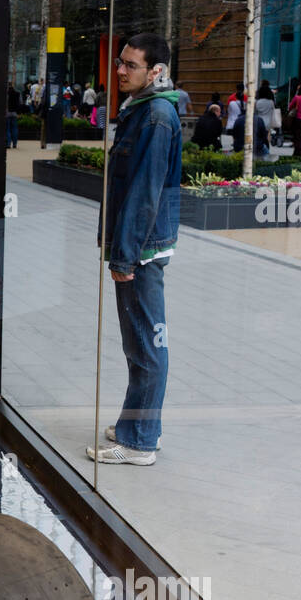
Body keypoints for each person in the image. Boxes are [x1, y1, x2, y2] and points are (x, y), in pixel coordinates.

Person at [89, 32, 180, 466]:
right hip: (138, 248)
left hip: (142, 251)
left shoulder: (156, 116)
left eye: (131, 65)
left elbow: (145, 192)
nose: (120, 70)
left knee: (147, 347)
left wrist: (124, 255)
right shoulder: (142, 110)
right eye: (120, 62)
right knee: (138, 345)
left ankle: (140, 441)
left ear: (155, 71)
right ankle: (137, 425)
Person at [254, 84, 276, 157]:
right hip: (268, 123)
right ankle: (267, 152)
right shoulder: (271, 102)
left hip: (259, 122)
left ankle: (260, 151)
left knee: (259, 137)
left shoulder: (257, 102)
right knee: (266, 138)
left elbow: (255, 112)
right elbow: (272, 111)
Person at [6, 83, 20, 148]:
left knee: (7, 129)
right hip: (14, 113)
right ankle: (15, 144)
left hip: (7, 112)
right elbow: (19, 103)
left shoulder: (6, 93)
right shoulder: (17, 93)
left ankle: (8, 144)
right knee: (14, 129)